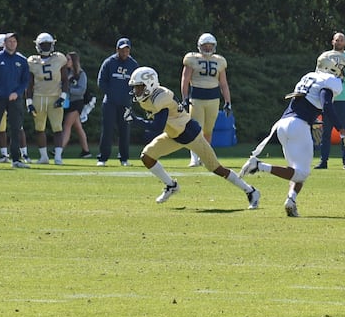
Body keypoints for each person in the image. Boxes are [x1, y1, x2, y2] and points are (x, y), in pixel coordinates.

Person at [126, 66, 260, 210]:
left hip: (190, 134)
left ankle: (251, 191)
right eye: (135, 87)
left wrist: (135, 120)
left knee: (217, 169)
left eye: (139, 87)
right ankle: (171, 185)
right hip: (173, 135)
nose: (136, 91)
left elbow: (157, 126)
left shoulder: (161, 97)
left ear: (150, 84)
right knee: (147, 157)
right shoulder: (149, 97)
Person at [241, 51, 345, 217]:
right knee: (302, 172)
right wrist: (341, 129)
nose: (342, 72)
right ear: (331, 68)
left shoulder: (309, 76)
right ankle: (259, 165)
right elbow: (327, 105)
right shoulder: (330, 81)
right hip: (298, 125)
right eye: (340, 68)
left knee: (296, 171)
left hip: (283, 124)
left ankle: (291, 200)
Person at [179, 33, 232, 168]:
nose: (208, 48)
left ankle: (205, 157)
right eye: (205, 46)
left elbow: (224, 83)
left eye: (210, 46)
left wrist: (228, 101)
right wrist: (184, 98)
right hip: (196, 97)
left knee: (208, 130)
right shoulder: (192, 59)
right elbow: (185, 80)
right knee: (196, 129)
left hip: (213, 99)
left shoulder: (219, 60)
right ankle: (194, 157)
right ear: (199, 46)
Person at [0, 32, 30, 167]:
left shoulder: (22, 60)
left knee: (16, 129)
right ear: (4, 43)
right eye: (9, 41)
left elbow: (25, 81)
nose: (12, 44)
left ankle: (16, 159)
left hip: (14, 99)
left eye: (14, 41)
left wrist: (17, 93)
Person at [317, 31, 345, 170]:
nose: (339, 42)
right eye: (337, 40)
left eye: (341, 40)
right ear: (332, 42)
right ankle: (323, 161)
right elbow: (317, 78)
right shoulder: (324, 57)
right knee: (326, 132)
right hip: (328, 99)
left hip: (344, 99)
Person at [97, 38, 140, 166]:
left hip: (126, 103)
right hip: (110, 103)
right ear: (117, 50)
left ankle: (124, 159)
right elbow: (101, 81)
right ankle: (103, 158)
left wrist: (132, 96)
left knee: (125, 131)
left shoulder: (133, 64)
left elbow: (138, 83)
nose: (125, 52)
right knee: (107, 131)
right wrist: (112, 94)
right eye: (122, 50)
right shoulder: (109, 63)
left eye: (127, 49)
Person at [27, 32, 69, 165]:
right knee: (39, 128)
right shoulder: (32, 61)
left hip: (54, 96)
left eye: (47, 44)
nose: (45, 47)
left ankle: (58, 157)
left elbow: (65, 80)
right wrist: (28, 101)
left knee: (57, 128)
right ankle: (44, 157)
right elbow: (29, 83)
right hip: (38, 97)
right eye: (43, 45)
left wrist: (62, 97)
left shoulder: (59, 58)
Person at [59, 52, 92, 158]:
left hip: (77, 102)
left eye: (68, 59)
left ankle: (59, 149)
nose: (66, 61)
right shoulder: (65, 72)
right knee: (78, 127)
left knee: (67, 125)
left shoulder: (81, 74)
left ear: (73, 61)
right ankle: (86, 151)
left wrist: (68, 89)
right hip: (67, 102)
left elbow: (82, 90)